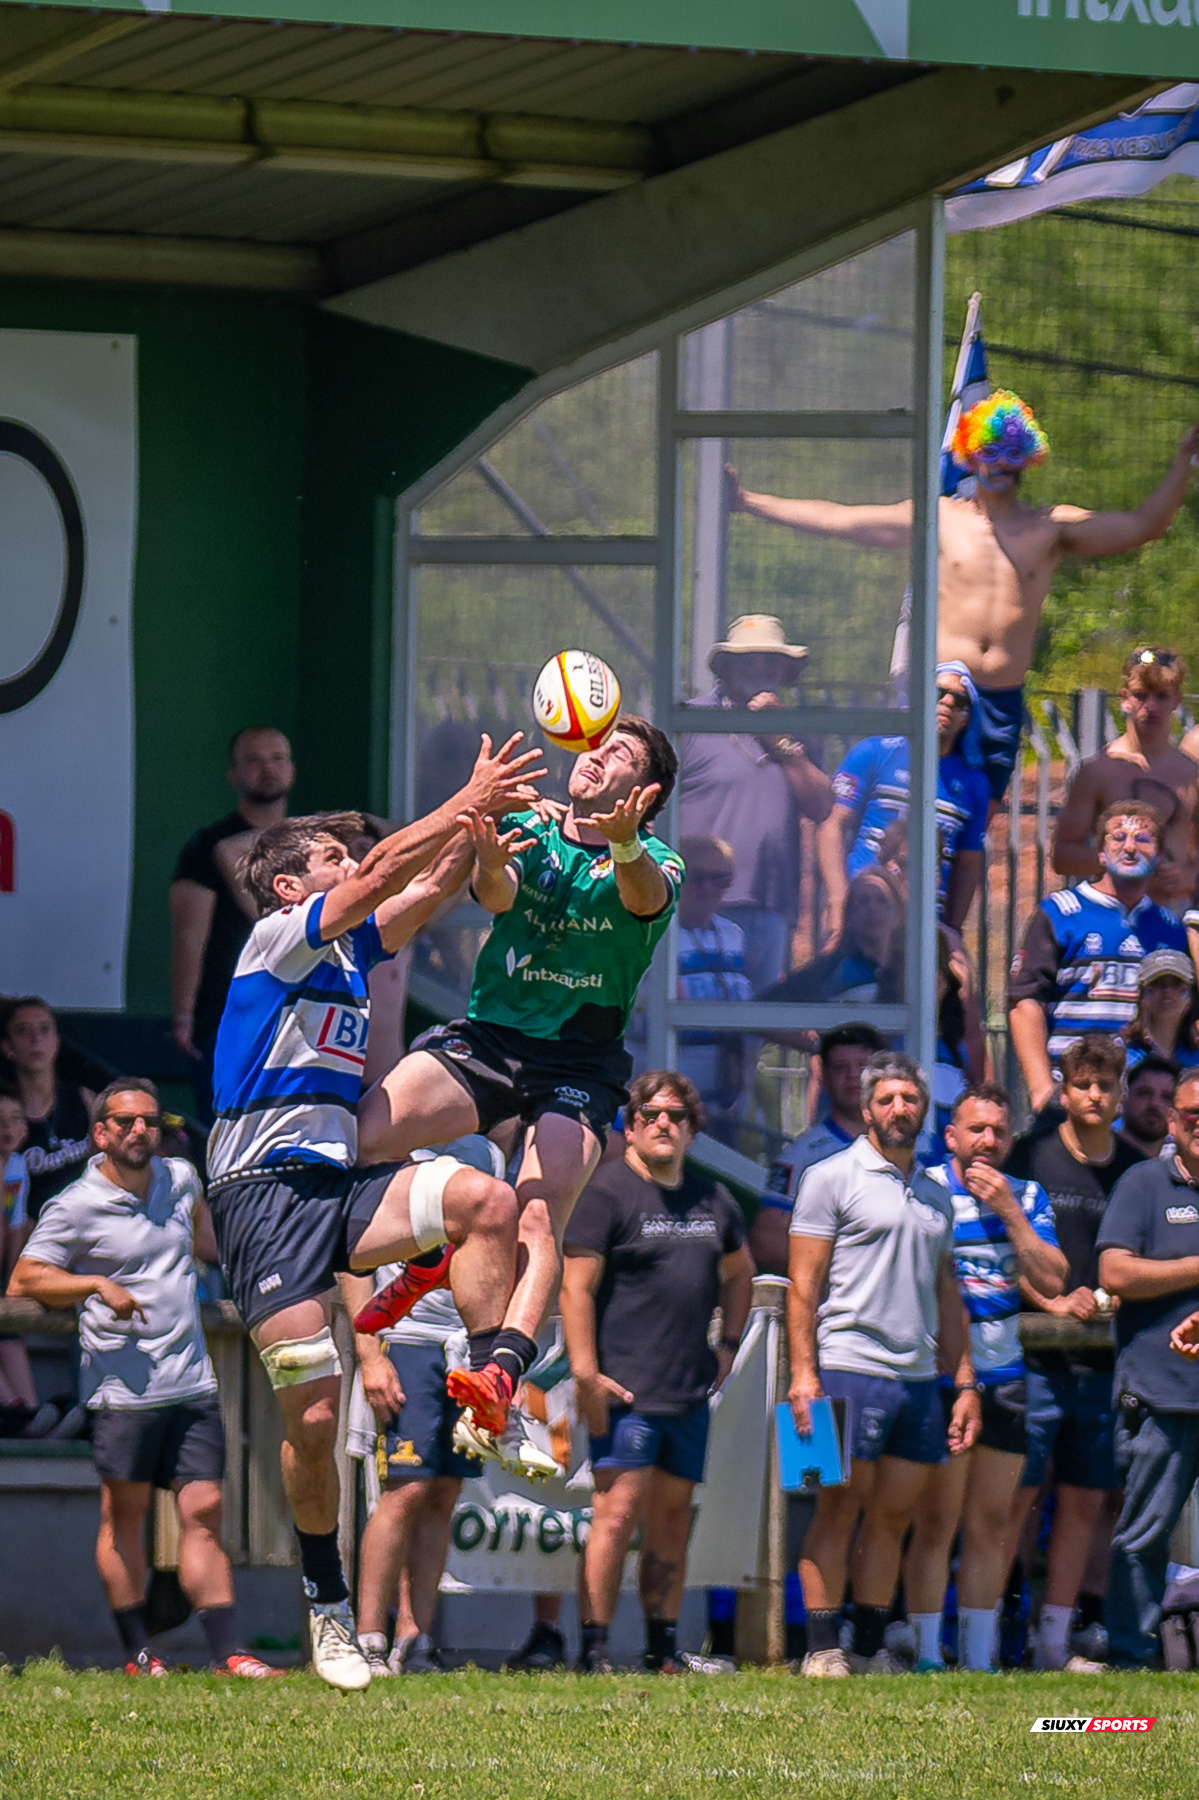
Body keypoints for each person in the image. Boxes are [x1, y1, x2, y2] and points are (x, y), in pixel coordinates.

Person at [204, 732, 543, 1690]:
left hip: (339, 1177)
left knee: (484, 1199)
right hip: (261, 1191)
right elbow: (388, 869)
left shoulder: (349, 949)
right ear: (288, 888)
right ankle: (327, 1604)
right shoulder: (278, 939)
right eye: (330, 858)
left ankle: (489, 1387)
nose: (349, 864)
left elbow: (425, 887)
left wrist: (480, 833)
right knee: (314, 1417)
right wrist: (463, 799)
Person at [356, 717, 684, 1470]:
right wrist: (490, 857)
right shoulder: (533, 824)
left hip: (579, 1061)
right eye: (594, 745)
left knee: (540, 1212)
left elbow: (641, 898)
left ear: (646, 793)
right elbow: (497, 894)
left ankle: (501, 1374)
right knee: (366, 1136)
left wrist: (624, 843)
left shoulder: (656, 860)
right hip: (491, 1039)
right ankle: (433, 1244)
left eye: (618, 753)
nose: (594, 755)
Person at [727, 400, 1199, 804]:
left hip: (1000, 698)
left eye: (1012, 453)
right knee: (919, 808)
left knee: (979, 814)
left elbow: (1144, 526)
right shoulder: (940, 519)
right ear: (969, 457)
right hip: (942, 694)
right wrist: (749, 502)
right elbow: (841, 519)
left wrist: (1184, 461)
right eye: (989, 452)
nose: (1001, 465)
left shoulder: (1050, 526)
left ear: (1028, 457)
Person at [7, 1079, 280, 1677]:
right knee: (124, 1516)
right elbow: (24, 1280)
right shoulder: (75, 1205)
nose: (140, 1131)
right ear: (99, 1133)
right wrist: (94, 1284)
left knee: (205, 1510)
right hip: (122, 1390)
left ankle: (229, 1654)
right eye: (126, 1121)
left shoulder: (182, 1179)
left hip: (192, 1381)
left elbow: (205, 1243)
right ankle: (138, 1654)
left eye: (150, 1121)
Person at [787, 1052, 981, 1679]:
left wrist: (965, 1382)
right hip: (842, 1366)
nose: (900, 1109)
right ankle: (821, 1649)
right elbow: (802, 1287)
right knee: (835, 1508)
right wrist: (802, 1376)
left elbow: (947, 1292)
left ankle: (869, 1650)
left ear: (924, 1111)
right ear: (867, 1110)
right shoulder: (828, 1177)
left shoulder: (936, 1194)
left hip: (918, 1379)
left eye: (911, 1099)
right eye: (887, 1099)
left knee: (895, 1516)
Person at [560, 1071, 754, 1674]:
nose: (663, 1123)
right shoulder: (606, 1194)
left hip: (687, 1392)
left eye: (676, 1115)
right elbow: (575, 1289)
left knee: (672, 1521)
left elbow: (740, 1274)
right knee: (616, 1515)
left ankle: (663, 1649)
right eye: (650, 1114)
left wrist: (728, 1344)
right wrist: (586, 1375)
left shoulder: (714, 1199)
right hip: (623, 1390)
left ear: (693, 1130)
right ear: (631, 1125)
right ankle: (594, 1649)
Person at [904, 1086, 1066, 1672]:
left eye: (998, 1131)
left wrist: (1011, 1214)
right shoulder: (924, 1189)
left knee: (992, 1522)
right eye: (976, 1129)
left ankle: (978, 1659)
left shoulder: (1027, 1195)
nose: (988, 1141)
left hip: (1009, 1376)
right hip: (943, 1378)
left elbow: (1052, 1280)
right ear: (951, 1136)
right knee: (937, 1520)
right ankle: (926, 1653)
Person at [1002, 1033, 1145, 1672]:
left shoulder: (1136, 1170)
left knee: (1086, 1500)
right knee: (1020, 1493)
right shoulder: (1030, 1154)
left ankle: (1055, 1642)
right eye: (1082, 1084)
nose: (1093, 1095)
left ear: (1120, 1095)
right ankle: (995, 1625)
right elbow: (1001, 1249)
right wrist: (1052, 1301)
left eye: (1105, 1086)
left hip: (1104, 1361)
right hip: (1030, 1354)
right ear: (1062, 1090)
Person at [1099, 1066, 1199, 1666]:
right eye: (1193, 1116)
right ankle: (1133, 1658)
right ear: (1171, 1121)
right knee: (1144, 1536)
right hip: (1161, 1392)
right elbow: (1114, 1272)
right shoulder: (1143, 1182)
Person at [677, 614, 834, 991]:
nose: (760, 668)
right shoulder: (691, 721)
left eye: (771, 660)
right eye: (749, 659)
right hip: (699, 901)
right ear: (727, 666)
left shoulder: (797, 731)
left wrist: (779, 739)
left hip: (770, 906)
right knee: (694, 1011)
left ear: (785, 670)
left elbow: (821, 806)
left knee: (755, 1018)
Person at [1008, 801, 1186, 1114]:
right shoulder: (1060, 913)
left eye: (1143, 839)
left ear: (1159, 856)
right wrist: (1041, 1089)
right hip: (1073, 1089)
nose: (1129, 847)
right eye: (1118, 837)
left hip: (1141, 1099)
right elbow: (1024, 1002)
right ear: (1101, 854)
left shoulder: (1170, 927)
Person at [170, 726, 296, 1118]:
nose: (268, 769)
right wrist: (185, 1016)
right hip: (229, 1016)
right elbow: (189, 938)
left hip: (298, 1014)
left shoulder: (313, 843)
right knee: (227, 1129)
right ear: (233, 774)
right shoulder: (209, 847)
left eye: (278, 758)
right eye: (254, 760)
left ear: (292, 769)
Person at [818, 663, 989, 940]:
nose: (947, 703)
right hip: (862, 910)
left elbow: (968, 864)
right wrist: (837, 901)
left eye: (959, 701)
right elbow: (832, 827)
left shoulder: (974, 784)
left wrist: (953, 930)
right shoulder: (874, 753)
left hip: (924, 925)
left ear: (967, 718)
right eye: (938, 693)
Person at [1052, 647, 1199, 916]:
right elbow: (1063, 856)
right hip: (1114, 916)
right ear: (1125, 698)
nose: (1150, 706)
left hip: (1173, 916)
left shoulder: (1190, 774)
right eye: (1141, 695)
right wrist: (1117, 860)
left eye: (1161, 696)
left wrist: (1188, 876)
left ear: (1177, 701)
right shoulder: (1098, 771)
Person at [750, 1025, 882, 1276]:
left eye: (863, 1066)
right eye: (840, 1067)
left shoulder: (914, 1146)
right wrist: (852, 1264)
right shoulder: (800, 1159)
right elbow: (766, 1243)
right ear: (824, 1076)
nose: (853, 1076)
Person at [674, 834, 753, 1119]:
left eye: (719, 879)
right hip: (674, 1089)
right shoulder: (656, 933)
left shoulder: (733, 935)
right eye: (697, 877)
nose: (707, 888)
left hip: (726, 1093)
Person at [0, 997, 95, 1223]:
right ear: (8, 1047)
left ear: (57, 1042)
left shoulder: (85, 1099)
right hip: (26, 1230)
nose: (36, 1039)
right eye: (23, 1031)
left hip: (82, 1224)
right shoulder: (4, 1110)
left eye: (44, 1029)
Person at [758, 867, 902, 1006]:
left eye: (882, 900)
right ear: (849, 915)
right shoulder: (829, 971)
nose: (872, 909)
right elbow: (766, 1003)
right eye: (863, 901)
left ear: (898, 914)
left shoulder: (908, 973)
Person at [0, 1086, 41, 1427]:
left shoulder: (16, 1167)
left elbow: (15, 1225)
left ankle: (29, 1410)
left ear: (25, 1129)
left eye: (14, 1120)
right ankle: (10, 1406)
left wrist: (10, 1280)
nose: (6, 1129)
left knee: (9, 1330)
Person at [1124, 949, 1199, 1075]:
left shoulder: (1196, 1061)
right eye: (1156, 983)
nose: (1167, 991)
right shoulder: (1124, 1058)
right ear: (1140, 995)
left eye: (1177, 983)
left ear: (1191, 997)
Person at [1120, 1054, 1181, 1161]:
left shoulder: (1181, 1168)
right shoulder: (1096, 1158)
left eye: (1167, 1098)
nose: (1155, 1103)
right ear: (1124, 1097)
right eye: (1144, 1093)